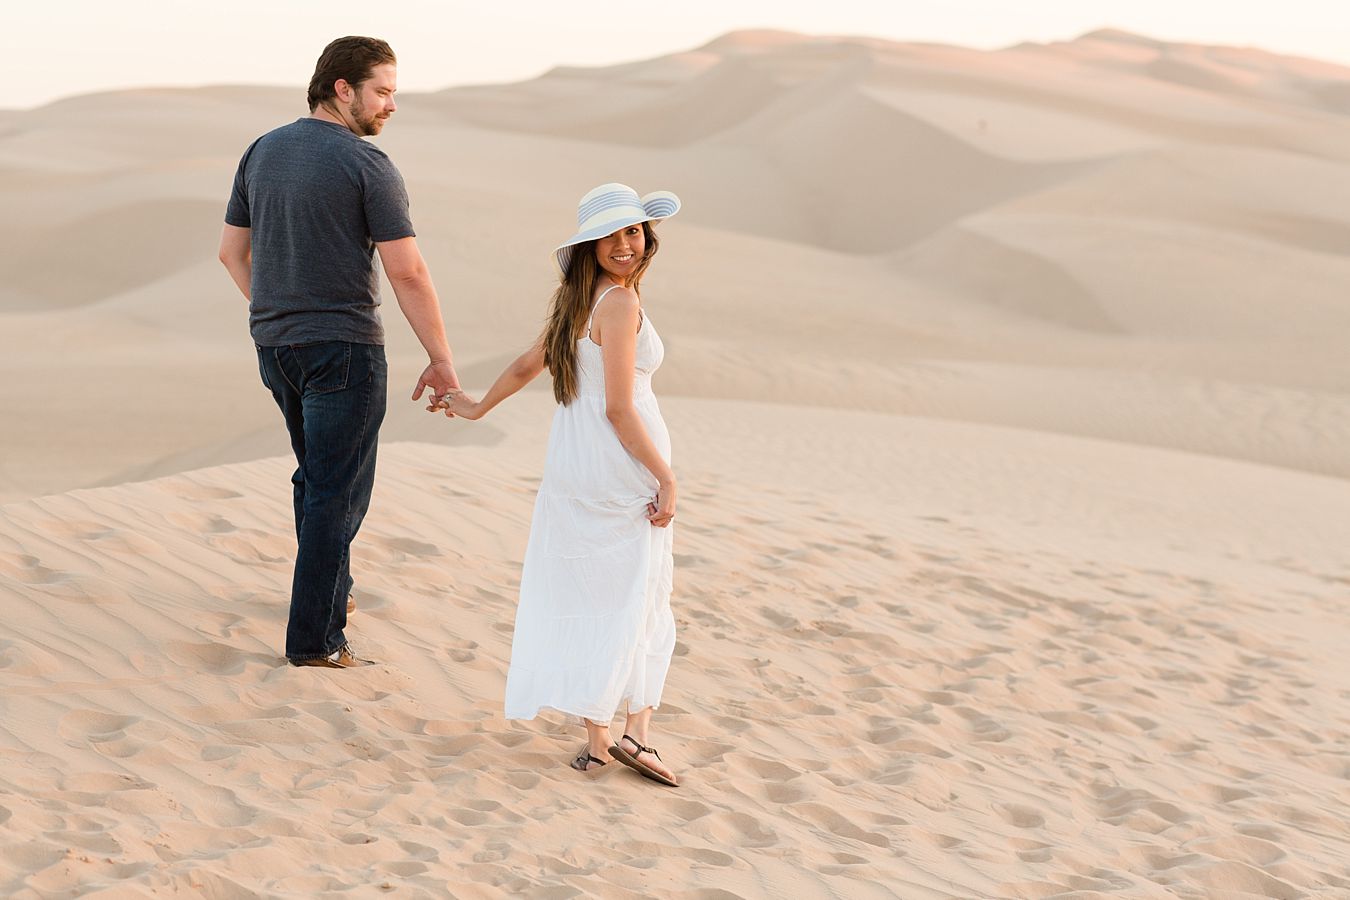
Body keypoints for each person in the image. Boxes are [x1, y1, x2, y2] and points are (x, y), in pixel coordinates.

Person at [217, 36, 462, 669]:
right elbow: (407, 271)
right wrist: (440, 356)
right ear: (341, 88)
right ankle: (315, 641)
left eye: (394, 94)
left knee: (316, 477)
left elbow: (230, 253)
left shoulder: (262, 151)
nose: (390, 105)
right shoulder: (366, 164)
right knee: (336, 489)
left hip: (277, 347)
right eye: (381, 91)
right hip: (345, 350)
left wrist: (272, 310)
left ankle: (335, 591)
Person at [436, 183, 682, 786]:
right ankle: (637, 738)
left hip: (577, 465)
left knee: (590, 592)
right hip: (621, 467)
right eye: (612, 234)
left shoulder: (581, 303)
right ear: (589, 245)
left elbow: (528, 363)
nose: (626, 244)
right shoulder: (619, 305)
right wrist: (666, 477)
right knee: (639, 595)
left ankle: (598, 745)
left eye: (633, 231)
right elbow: (620, 409)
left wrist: (475, 407)